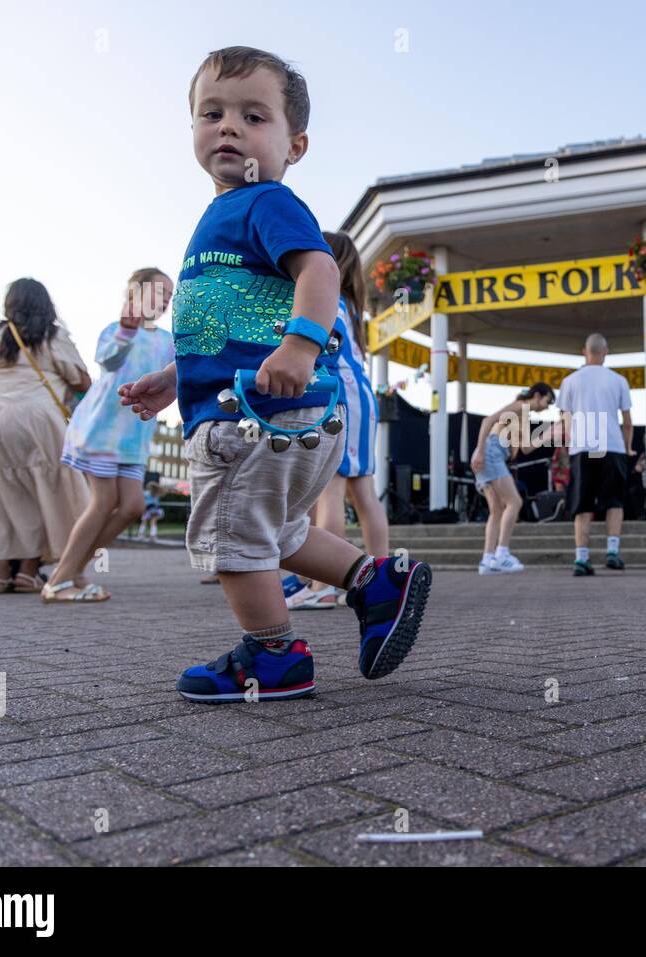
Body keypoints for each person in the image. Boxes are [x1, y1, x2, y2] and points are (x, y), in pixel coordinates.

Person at [119, 46, 430, 701]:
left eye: (253, 116)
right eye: (213, 113)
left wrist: (300, 343)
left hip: (256, 415)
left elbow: (319, 271)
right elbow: (227, 328)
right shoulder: (222, 216)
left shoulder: (265, 202)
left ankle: (274, 655)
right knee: (281, 532)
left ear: (295, 144)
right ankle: (377, 583)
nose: (228, 126)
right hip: (273, 415)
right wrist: (176, 379)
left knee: (233, 538)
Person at [0, 279, 92, 593]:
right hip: (33, 417)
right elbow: (80, 380)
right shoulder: (52, 334)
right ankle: (26, 571)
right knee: (43, 491)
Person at [42, 268, 176, 602]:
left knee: (132, 506)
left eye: (169, 296)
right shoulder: (115, 330)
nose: (164, 300)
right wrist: (126, 331)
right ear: (133, 295)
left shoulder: (167, 340)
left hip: (134, 437)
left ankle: (72, 569)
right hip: (100, 429)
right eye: (158, 292)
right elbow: (107, 361)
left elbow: (178, 378)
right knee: (103, 502)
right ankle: (59, 580)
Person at [287, 232, 388, 609]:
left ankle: (322, 585)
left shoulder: (325, 294)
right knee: (363, 491)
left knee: (329, 487)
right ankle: (382, 579)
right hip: (362, 394)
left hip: (340, 394)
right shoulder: (351, 303)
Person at [557, 333, 633, 576]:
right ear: (605, 352)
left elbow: (565, 422)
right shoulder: (618, 380)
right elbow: (628, 421)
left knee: (582, 505)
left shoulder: (569, 381)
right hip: (612, 446)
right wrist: (628, 447)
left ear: (584, 351)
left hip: (583, 447)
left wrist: (570, 446)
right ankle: (612, 553)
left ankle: (581, 559)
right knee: (614, 502)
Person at [471, 383, 556, 573]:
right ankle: (501, 554)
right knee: (514, 502)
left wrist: (549, 434)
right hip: (491, 452)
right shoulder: (520, 406)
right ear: (536, 395)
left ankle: (487, 560)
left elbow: (525, 448)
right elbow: (488, 420)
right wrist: (481, 453)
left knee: (497, 510)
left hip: (490, 453)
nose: (547, 406)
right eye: (548, 401)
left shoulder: (523, 414)